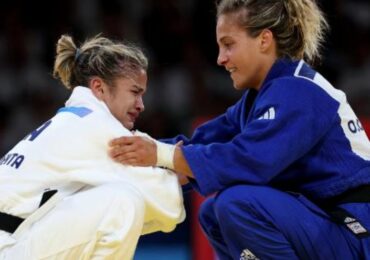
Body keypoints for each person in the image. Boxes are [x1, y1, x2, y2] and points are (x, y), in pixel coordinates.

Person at [109, 0, 370, 259]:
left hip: (356, 231)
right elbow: (194, 146)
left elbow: (249, 160)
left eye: (228, 44)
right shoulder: (258, 100)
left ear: (264, 40)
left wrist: (161, 155)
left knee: (236, 204)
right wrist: (117, 160)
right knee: (212, 213)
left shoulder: (299, 90)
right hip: (328, 226)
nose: (221, 59)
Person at [0, 34, 185, 259]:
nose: (141, 105)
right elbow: (164, 199)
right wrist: (194, 165)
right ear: (99, 87)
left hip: (14, 241)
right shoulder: (95, 124)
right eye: (134, 92)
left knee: (108, 194)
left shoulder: (74, 119)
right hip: (10, 246)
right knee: (123, 202)